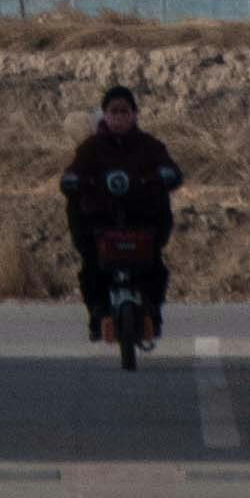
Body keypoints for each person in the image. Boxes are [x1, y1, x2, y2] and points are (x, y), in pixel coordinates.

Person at [61, 80, 181, 338]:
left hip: (141, 221)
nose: (119, 118)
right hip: (100, 223)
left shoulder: (150, 146)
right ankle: (98, 314)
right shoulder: (90, 148)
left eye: (124, 111)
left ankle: (152, 314)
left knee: (155, 268)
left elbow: (171, 170)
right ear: (105, 115)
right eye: (113, 112)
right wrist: (74, 181)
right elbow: (73, 175)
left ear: (134, 115)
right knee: (92, 267)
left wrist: (166, 175)